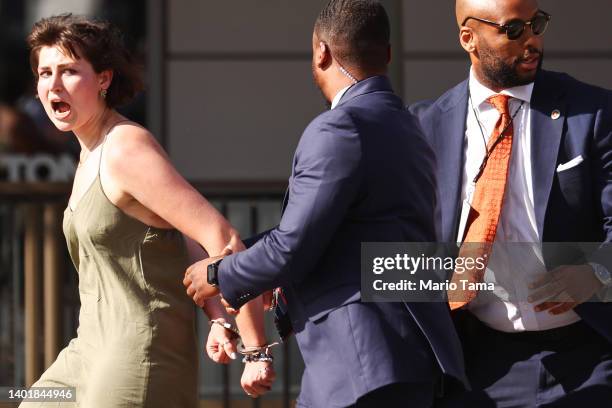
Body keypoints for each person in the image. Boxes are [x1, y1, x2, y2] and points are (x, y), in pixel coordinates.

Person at [183, 1, 468, 407]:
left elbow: (294, 246)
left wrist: (219, 272)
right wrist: (252, 262)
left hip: (363, 362)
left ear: (321, 52)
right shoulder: (407, 123)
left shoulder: (339, 126)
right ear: (386, 55)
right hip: (405, 355)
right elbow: (334, 232)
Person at [21, 14, 273, 407]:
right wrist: (216, 316)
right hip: (86, 350)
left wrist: (255, 348)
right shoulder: (89, 152)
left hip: (135, 356)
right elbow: (181, 235)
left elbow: (221, 238)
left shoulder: (126, 147)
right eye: (44, 72)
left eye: (69, 71)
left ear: (103, 79)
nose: (53, 85)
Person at [409, 0, 612, 406]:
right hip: (479, 362)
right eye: (514, 30)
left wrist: (597, 271)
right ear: (469, 38)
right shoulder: (425, 127)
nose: (532, 39)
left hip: (589, 353)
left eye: (537, 24)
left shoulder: (593, 112)